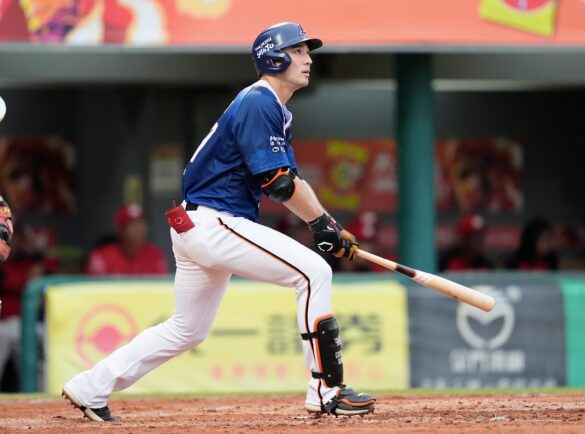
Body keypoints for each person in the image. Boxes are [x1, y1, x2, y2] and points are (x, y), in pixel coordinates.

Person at [62, 22, 375, 422]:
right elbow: (278, 183)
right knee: (314, 273)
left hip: (199, 225)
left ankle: (90, 386)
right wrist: (321, 226)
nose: (308, 59)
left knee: (187, 329)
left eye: (306, 51)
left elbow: (290, 181)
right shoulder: (259, 101)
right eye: (297, 51)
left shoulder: (272, 108)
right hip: (215, 222)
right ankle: (327, 389)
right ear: (273, 57)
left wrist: (326, 223)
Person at [85, 203, 168, 275]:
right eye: (132, 224)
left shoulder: (154, 254)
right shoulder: (102, 256)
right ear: (120, 229)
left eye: (141, 223)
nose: (139, 229)